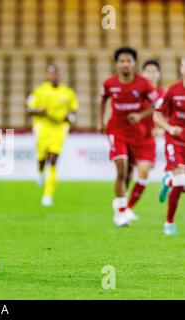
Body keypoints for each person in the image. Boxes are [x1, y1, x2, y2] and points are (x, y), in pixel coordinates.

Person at [98, 47, 160, 227]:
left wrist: (140, 116)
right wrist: (100, 122)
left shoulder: (143, 84)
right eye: (122, 61)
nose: (125, 64)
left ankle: (121, 205)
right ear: (117, 64)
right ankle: (122, 209)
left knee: (129, 174)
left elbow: (157, 105)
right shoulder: (109, 83)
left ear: (134, 63)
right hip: (116, 131)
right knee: (121, 168)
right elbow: (102, 101)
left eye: (129, 61)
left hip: (136, 134)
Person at [26, 65, 78, 206]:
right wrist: (39, 110)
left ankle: (48, 195)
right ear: (47, 76)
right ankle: (39, 171)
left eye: (56, 73)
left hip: (59, 129)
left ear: (60, 75)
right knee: (42, 159)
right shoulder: (40, 91)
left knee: (53, 159)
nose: (54, 76)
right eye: (51, 74)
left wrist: (70, 117)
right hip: (42, 127)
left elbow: (73, 111)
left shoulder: (67, 93)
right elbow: (29, 109)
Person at [124, 60, 164, 218]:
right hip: (130, 136)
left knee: (144, 172)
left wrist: (160, 129)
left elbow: (168, 116)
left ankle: (128, 207)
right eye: (148, 71)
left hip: (147, 140)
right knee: (126, 173)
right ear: (142, 73)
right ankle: (121, 204)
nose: (151, 74)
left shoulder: (163, 94)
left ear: (159, 74)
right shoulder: (136, 90)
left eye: (154, 71)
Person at [153, 56, 185, 235]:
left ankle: (167, 180)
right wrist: (168, 128)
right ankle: (169, 223)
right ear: (182, 69)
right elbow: (157, 115)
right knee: (181, 180)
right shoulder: (172, 90)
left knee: (180, 184)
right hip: (175, 141)